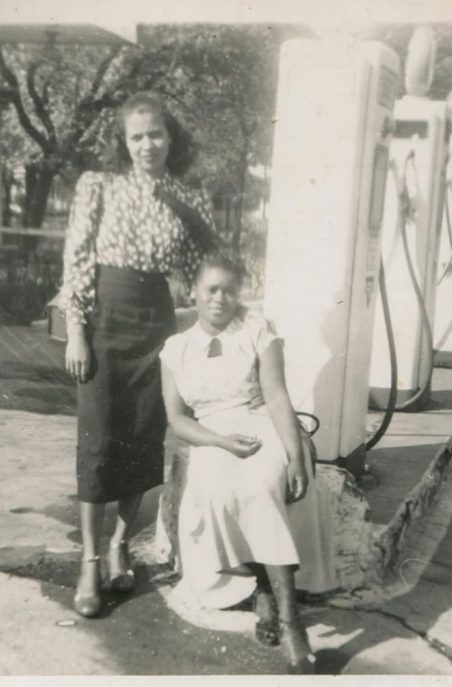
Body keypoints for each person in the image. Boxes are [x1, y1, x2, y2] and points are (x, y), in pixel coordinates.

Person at [62, 91, 219, 619]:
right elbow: (78, 261)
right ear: (123, 143)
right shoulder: (98, 187)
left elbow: (208, 270)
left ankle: (119, 545)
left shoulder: (188, 197)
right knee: (100, 438)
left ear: (171, 138)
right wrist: (77, 333)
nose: (147, 144)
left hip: (157, 322)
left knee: (142, 437)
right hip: (105, 317)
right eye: (136, 136)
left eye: (155, 134)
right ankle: (88, 559)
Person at [158, 250, 338, 674]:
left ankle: (292, 623)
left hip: (262, 424)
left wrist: (295, 455)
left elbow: (276, 395)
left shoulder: (257, 331)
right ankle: (261, 588)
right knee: (220, 487)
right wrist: (220, 441)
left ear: (240, 293)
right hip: (212, 435)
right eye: (211, 290)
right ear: (193, 293)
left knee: (261, 484)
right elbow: (177, 419)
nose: (220, 299)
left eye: (229, 290)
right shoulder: (176, 349)